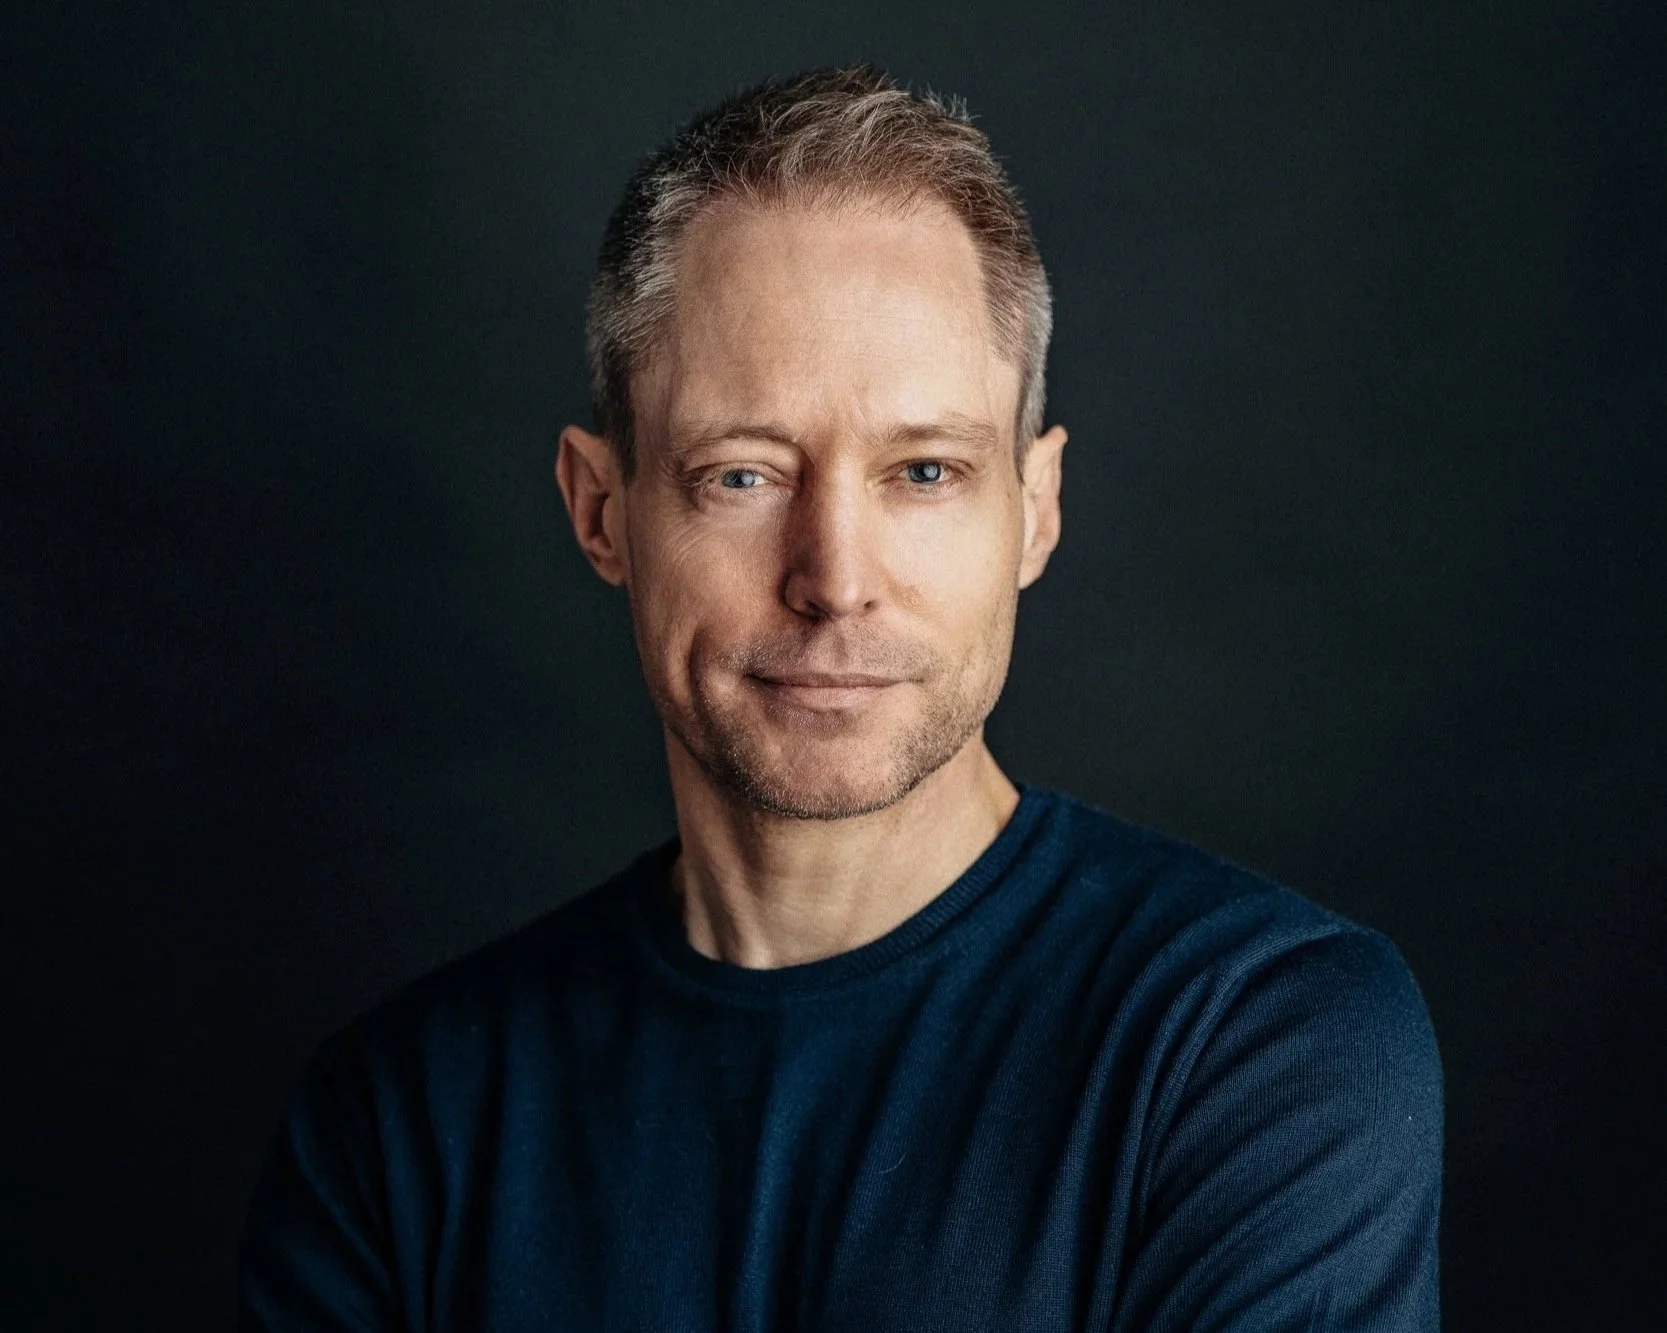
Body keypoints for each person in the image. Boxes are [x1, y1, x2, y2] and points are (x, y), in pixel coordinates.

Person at [239, 66, 1442, 1330]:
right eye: (742, 476)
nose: (835, 582)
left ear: (1033, 509)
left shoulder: (1256, 1042)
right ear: (602, 509)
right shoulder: (396, 1124)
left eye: (923, 470)